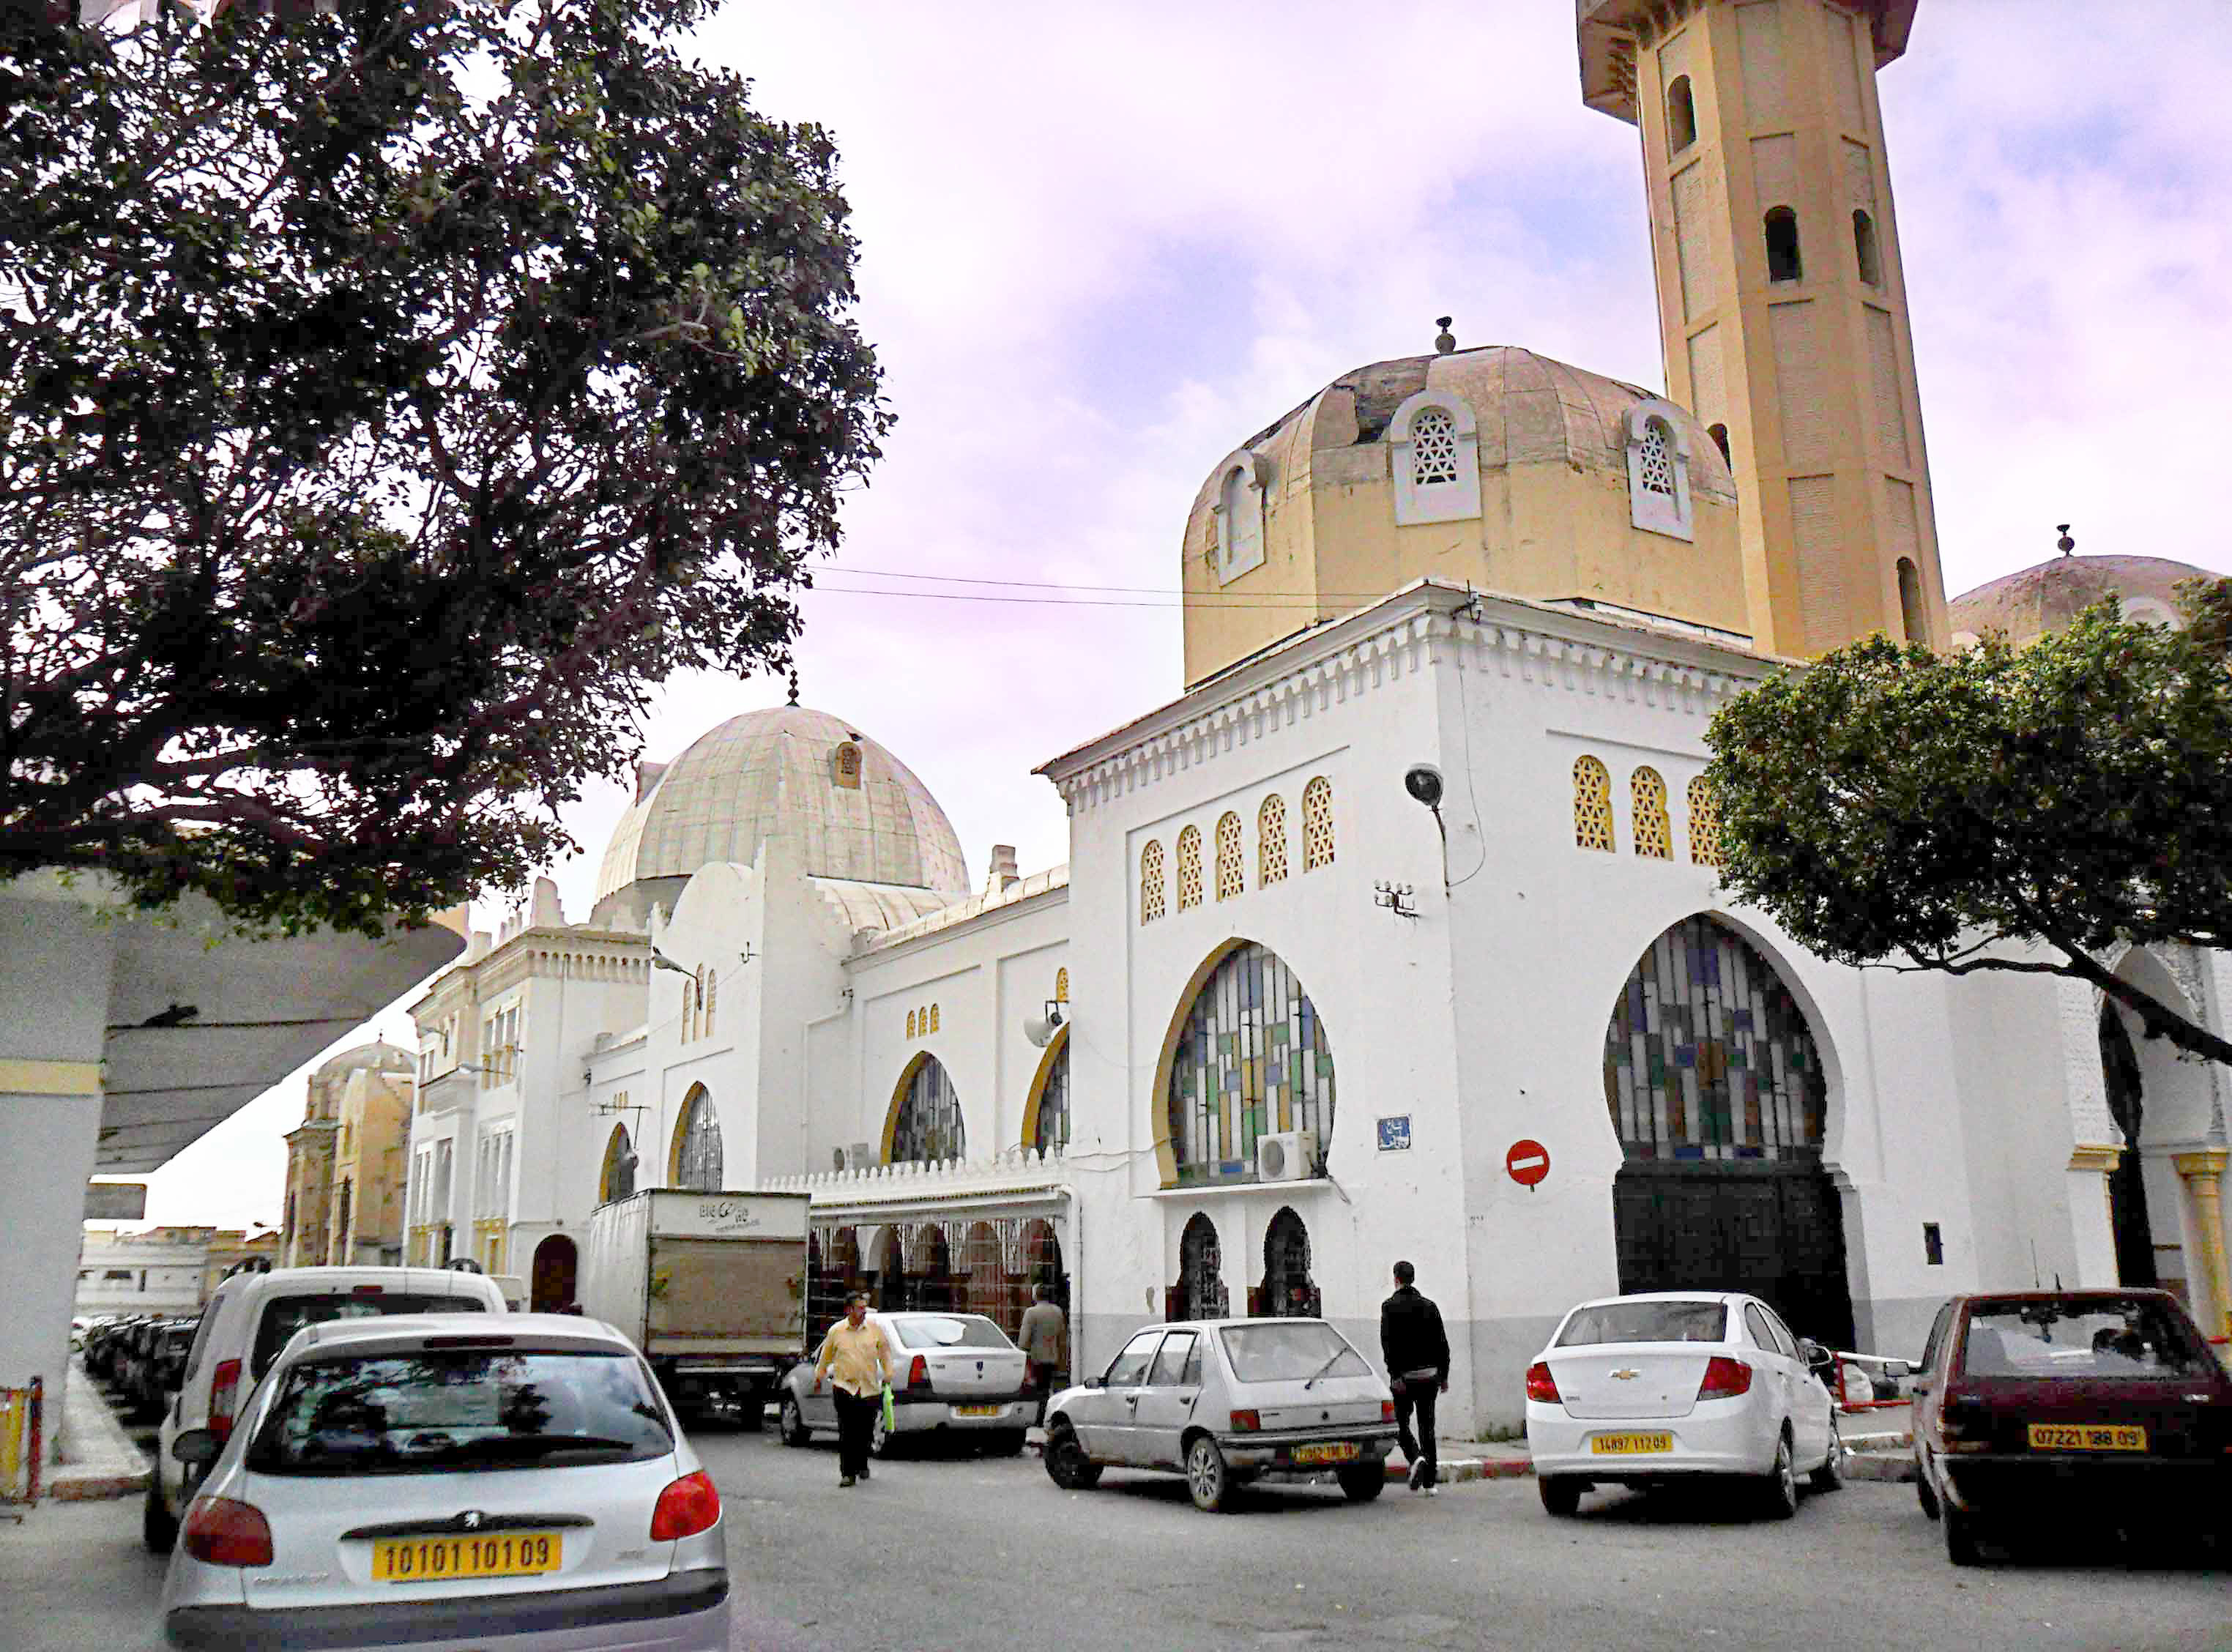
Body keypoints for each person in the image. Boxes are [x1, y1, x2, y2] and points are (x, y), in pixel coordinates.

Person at [810, 1290, 895, 1487]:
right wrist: (818, 1377)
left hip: (869, 1389)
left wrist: (889, 1373)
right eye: (859, 1308)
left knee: (865, 1431)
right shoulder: (836, 1332)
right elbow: (825, 1358)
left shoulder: (875, 1330)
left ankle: (862, 1463)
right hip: (844, 1387)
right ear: (848, 1310)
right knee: (847, 1432)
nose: (863, 1312)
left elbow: (885, 1353)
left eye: (865, 1308)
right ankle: (847, 1473)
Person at [1380, 1260, 1450, 1495]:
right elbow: (1443, 1344)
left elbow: (1388, 1344)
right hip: (1430, 1376)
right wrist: (1444, 1375)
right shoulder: (1430, 1306)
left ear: (1396, 1278)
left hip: (1405, 1379)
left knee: (1400, 1423)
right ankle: (1430, 1483)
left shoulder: (1389, 1307)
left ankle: (1415, 1456)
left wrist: (1394, 1375)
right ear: (1413, 1278)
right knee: (1427, 1427)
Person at [1016, 1283, 1067, 1423]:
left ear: (1035, 1295)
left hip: (1037, 1357)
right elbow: (1062, 1336)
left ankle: (1039, 1417)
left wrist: (1022, 1350)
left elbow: (1024, 1339)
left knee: (1037, 1390)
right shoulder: (1057, 1312)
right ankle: (1048, 1415)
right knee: (1048, 1387)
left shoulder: (1031, 1313)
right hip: (1053, 1356)